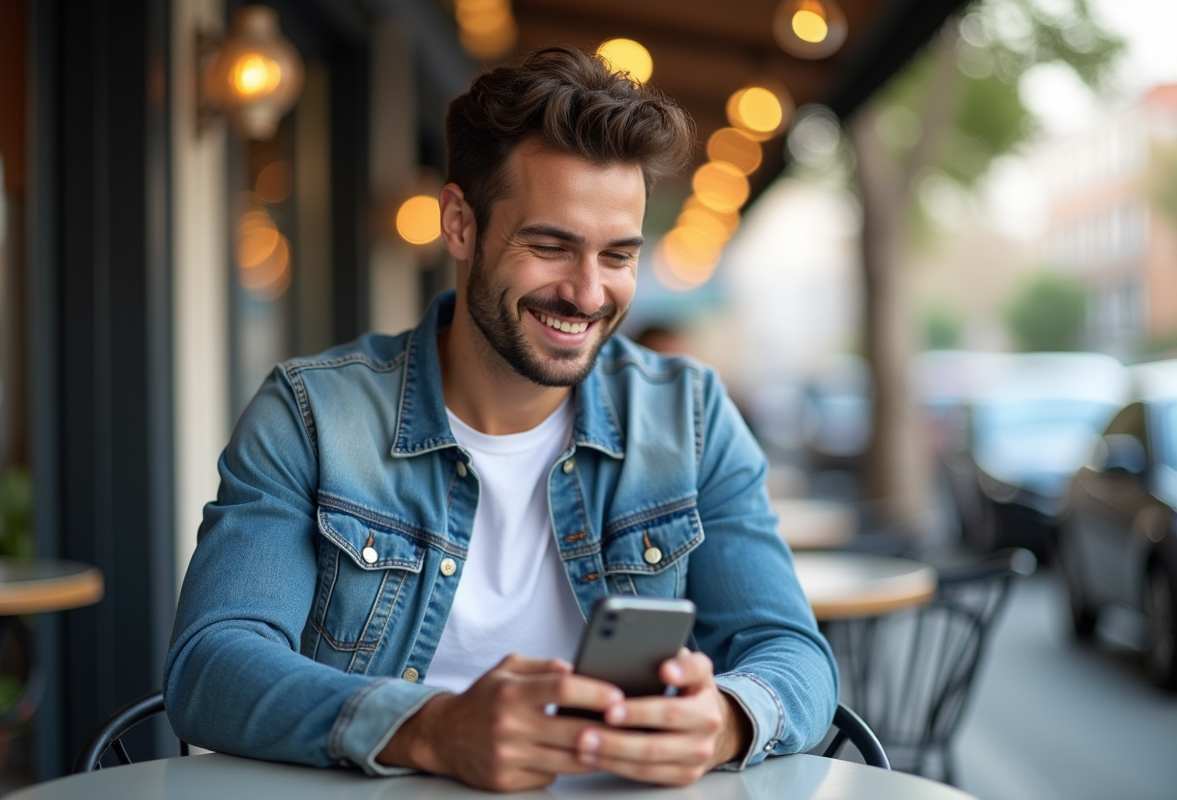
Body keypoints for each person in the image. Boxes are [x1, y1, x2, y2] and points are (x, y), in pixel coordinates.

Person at [164, 47, 837, 792]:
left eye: (617, 255)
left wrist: (727, 719)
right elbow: (212, 665)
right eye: (550, 246)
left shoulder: (692, 415)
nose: (587, 294)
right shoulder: (312, 415)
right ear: (459, 223)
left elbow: (791, 652)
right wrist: (430, 728)